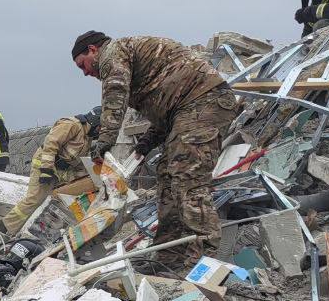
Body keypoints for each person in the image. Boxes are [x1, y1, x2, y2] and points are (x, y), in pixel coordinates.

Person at [72, 31, 238, 262]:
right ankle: (169, 255)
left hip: (203, 102)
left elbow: (115, 94)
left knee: (187, 175)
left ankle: (207, 260)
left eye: (83, 65)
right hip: (188, 108)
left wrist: (106, 140)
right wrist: (147, 142)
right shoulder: (134, 62)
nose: (86, 72)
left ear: (93, 50)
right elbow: (166, 109)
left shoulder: (112, 54)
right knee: (167, 176)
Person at [0, 108, 100, 235]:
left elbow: (77, 163)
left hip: (60, 171)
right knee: (35, 199)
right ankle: (5, 227)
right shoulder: (71, 125)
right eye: (100, 128)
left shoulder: (86, 138)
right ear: (95, 122)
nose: (100, 132)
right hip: (44, 164)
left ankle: (46, 232)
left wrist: (87, 178)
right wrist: (46, 170)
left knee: (64, 199)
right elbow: (50, 144)